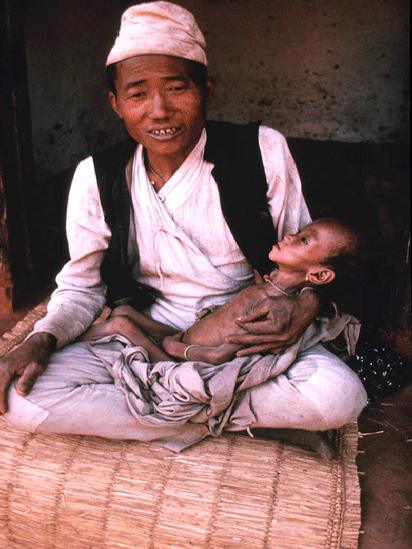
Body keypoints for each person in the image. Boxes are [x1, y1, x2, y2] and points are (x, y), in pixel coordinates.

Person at [0, 2, 367, 450]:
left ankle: (169, 410)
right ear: (115, 104)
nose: (159, 110)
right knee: (26, 402)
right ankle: (231, 417)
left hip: (249, 335)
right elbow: (82, 287)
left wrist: (306, 304)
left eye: (177, 88)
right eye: (137, 94)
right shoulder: (96, 176)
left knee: (339, 397)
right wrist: (42, 337)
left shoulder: (261, 150)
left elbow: (305, 248)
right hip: (146, 339)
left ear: (206, 90)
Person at [80, 218, 365, 364]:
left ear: (320, 274)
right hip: (181, 336)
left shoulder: (274, 311)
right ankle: (65, 340)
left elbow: (220, 356)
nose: (290, 235)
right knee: (123, 311)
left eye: (303, 240)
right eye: (299, 231)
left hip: (181, 360)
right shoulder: (269, 285)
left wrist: (176, 348)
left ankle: (64, 345)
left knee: (119, 324)